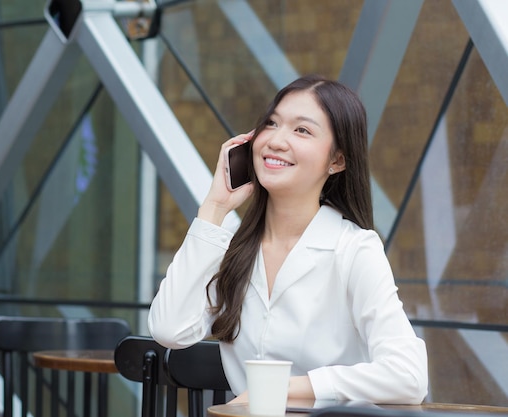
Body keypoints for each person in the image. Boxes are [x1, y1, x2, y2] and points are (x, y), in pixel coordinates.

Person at [148, 75, 428, 405]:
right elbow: (169, 329)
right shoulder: (235, 250)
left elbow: (409, 376)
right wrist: (215, 207)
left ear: (337, 160)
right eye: (271, 123)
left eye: (302, 130)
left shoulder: (354, 248)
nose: (277, 140)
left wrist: (281, 391)